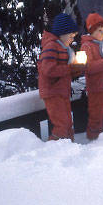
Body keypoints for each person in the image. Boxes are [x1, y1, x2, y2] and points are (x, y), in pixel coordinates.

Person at [38, 13, 84, 141]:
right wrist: (70, 69)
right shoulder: (51, 47)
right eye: (70, 35)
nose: (72, 38)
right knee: (62, 124)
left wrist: (77, 69)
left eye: (74, 36)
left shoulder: (64, 48)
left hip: (62, 91)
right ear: (61, 33)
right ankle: (54, 150)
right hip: (52, 92)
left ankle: (69, 147)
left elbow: (66, 72)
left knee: (68, 122)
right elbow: (48, 70)